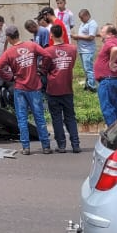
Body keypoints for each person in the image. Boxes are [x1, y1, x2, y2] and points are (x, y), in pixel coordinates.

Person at [0, 25, 51, 155]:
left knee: (22, 119)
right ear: (18, 34)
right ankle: (46, 146)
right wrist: (42, 70)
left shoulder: (9, 53)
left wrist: (10, 77)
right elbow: (47, 55)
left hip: (19, 89)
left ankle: (26, 147)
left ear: (8, 38)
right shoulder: (32, 45)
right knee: (39, 117)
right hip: (35, 88)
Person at [40, 24, 81, 153]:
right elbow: (71, 65)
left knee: (56, 117)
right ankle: (75, 144)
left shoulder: (48, 51)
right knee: (70, 117)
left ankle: (61, 145)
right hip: (67, 88)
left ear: (51, 35)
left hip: (53, 88)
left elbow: (44, 69)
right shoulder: (73, 49)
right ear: (63, 33)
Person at [94, 24, 117, 126]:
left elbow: (115, 49)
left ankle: (112, 132)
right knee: (115, 109)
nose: (100, 33)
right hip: (115, 80)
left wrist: (111, 63)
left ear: (110, 34)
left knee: (107, 109)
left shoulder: (110, 42)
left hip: (108, 81)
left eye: (102, 31)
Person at [74, 9, 99, 92]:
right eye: (80, 18)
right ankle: (88, 84)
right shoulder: (83, 23)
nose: (81, 19)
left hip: (88, 50)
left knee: (89, 68)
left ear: (87, 15)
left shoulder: (92, 24)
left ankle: (92, 86)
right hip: (82, 49)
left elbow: (91, 37)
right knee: (86, 68)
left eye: (82, 18)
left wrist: (78, 36)